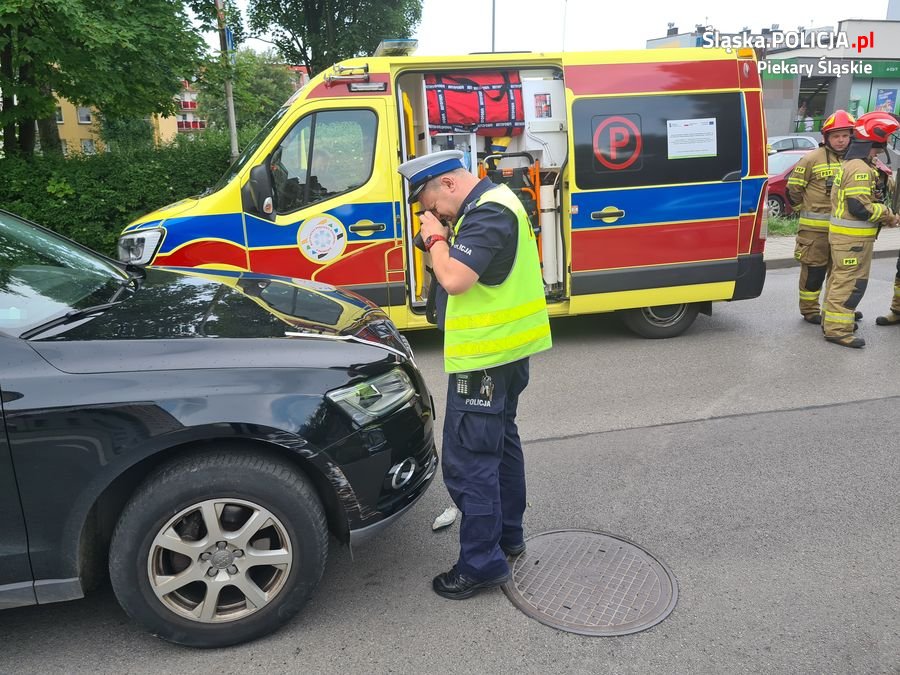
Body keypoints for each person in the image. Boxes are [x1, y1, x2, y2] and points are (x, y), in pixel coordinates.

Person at [397, 149, 552, 600]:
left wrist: (434, 240)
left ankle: (481, 565)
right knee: (501, 446)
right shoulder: (498, 202)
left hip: (483, 362)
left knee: (471, 463)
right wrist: (443, 239)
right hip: (504, 354)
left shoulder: (487, 214)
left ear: (447, 183)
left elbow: (456, 280)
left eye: (429, 203)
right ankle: (509, 536)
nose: (431, 213)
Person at [822, 111, 900, 348]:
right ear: (871, 143)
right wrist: (889, 216)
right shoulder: (860, 169)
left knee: (839, 281)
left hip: (848, 239)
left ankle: (834, 322)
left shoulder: (853, 164)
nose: (878, 153)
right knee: (850, 284)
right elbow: (859, 207)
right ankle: (838, 330)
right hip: (853, 241)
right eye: (877, 149)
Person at [786, 110, 855, 324]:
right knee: (814, 272)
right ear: (826, 138)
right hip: (814, 232)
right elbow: (793, 190)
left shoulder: (856, 160)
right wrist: (804, 209)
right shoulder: (811, 159)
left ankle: (834, 308)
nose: (841, 140)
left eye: (845, 135)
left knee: (840, 274)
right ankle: (809, 310)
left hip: (844, 231)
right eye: (836, 136)